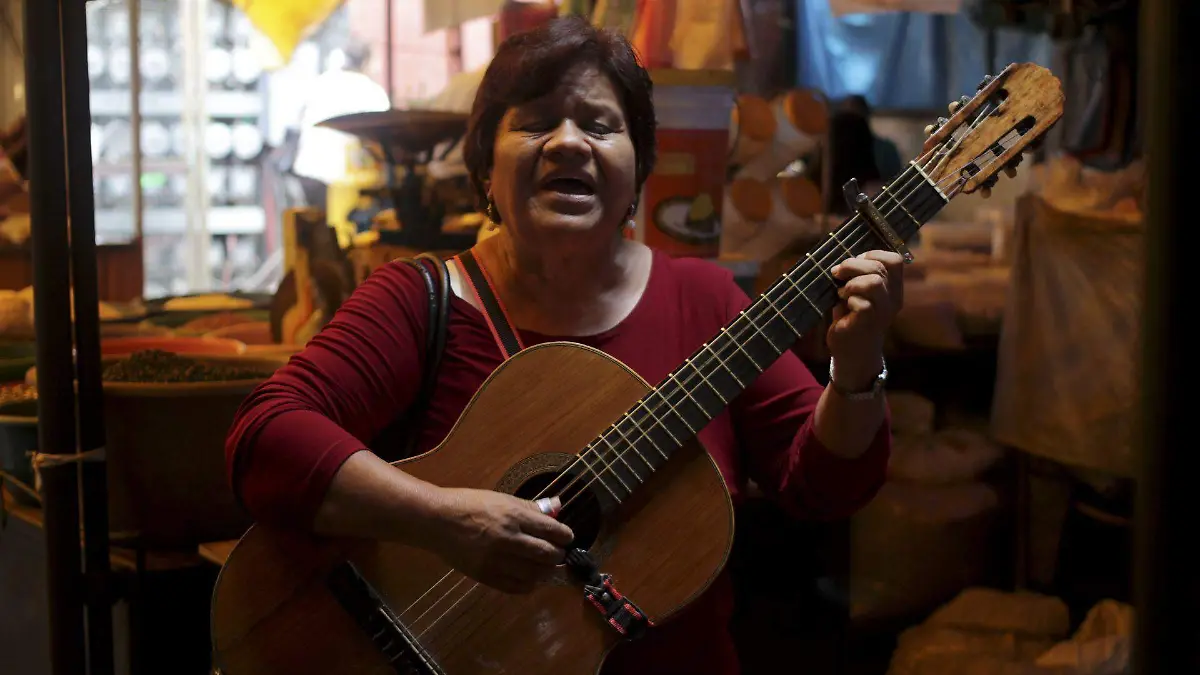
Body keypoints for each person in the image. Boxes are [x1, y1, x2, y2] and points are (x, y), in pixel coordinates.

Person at [226, 15, 902, 675]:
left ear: (638, 174)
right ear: (485, 170)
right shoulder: (421, 301)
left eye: (600, 124)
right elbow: (265, 440)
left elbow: (827, 487)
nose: (568, 142)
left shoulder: (709, 303)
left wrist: (857, 368)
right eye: (535, 121)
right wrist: (441, 521)